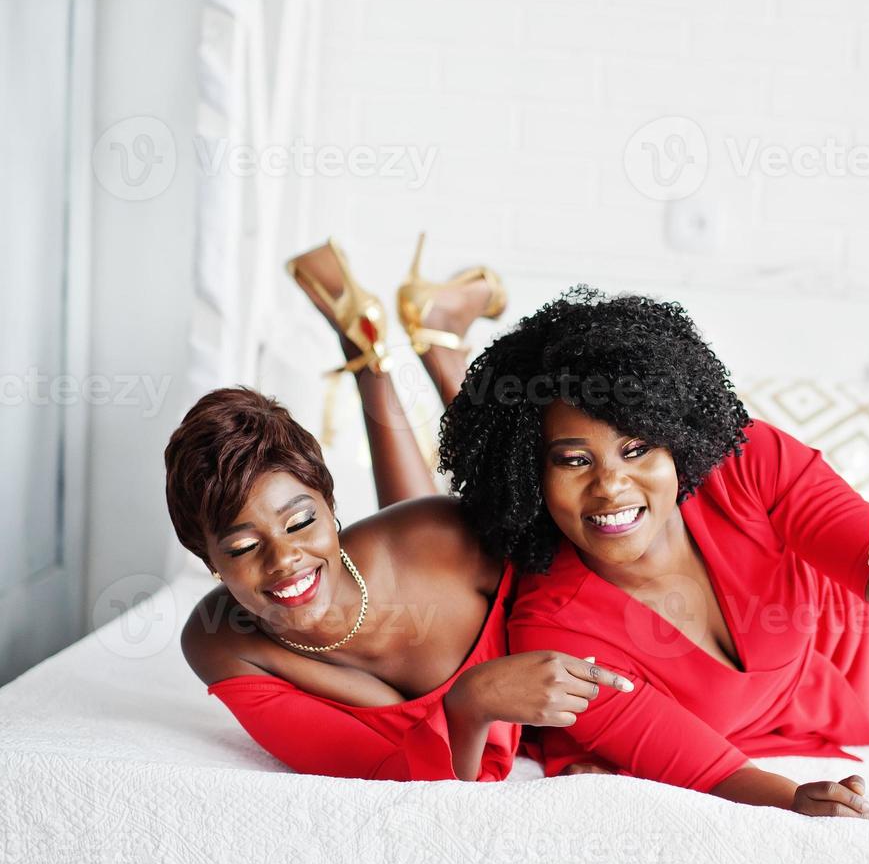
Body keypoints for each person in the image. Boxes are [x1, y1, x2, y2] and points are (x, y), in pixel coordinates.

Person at [436, 287, 869, 818]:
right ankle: (431, 349)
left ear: (677, 439)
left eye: (637, 448)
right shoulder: (554, 626)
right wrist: (792, 799)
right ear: (531, 475)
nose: (611, 485)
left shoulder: (747, 462)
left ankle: (434, 345)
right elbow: (709, 770)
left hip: (866, 636)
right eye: (573, 459)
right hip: (759, 723)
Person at [168, 239, 630, 783]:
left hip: (462, 551)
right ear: (207, 558)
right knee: (425, 524)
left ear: (331, 504)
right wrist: (472, 703)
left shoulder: (442, 537)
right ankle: (403, 347)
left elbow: (576, 565)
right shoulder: (218, 639)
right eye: (244, 547)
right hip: (416, 553)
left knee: (515, 493)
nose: (284, 559)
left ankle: (433, 348)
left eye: (301, 522)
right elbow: (394, 767)